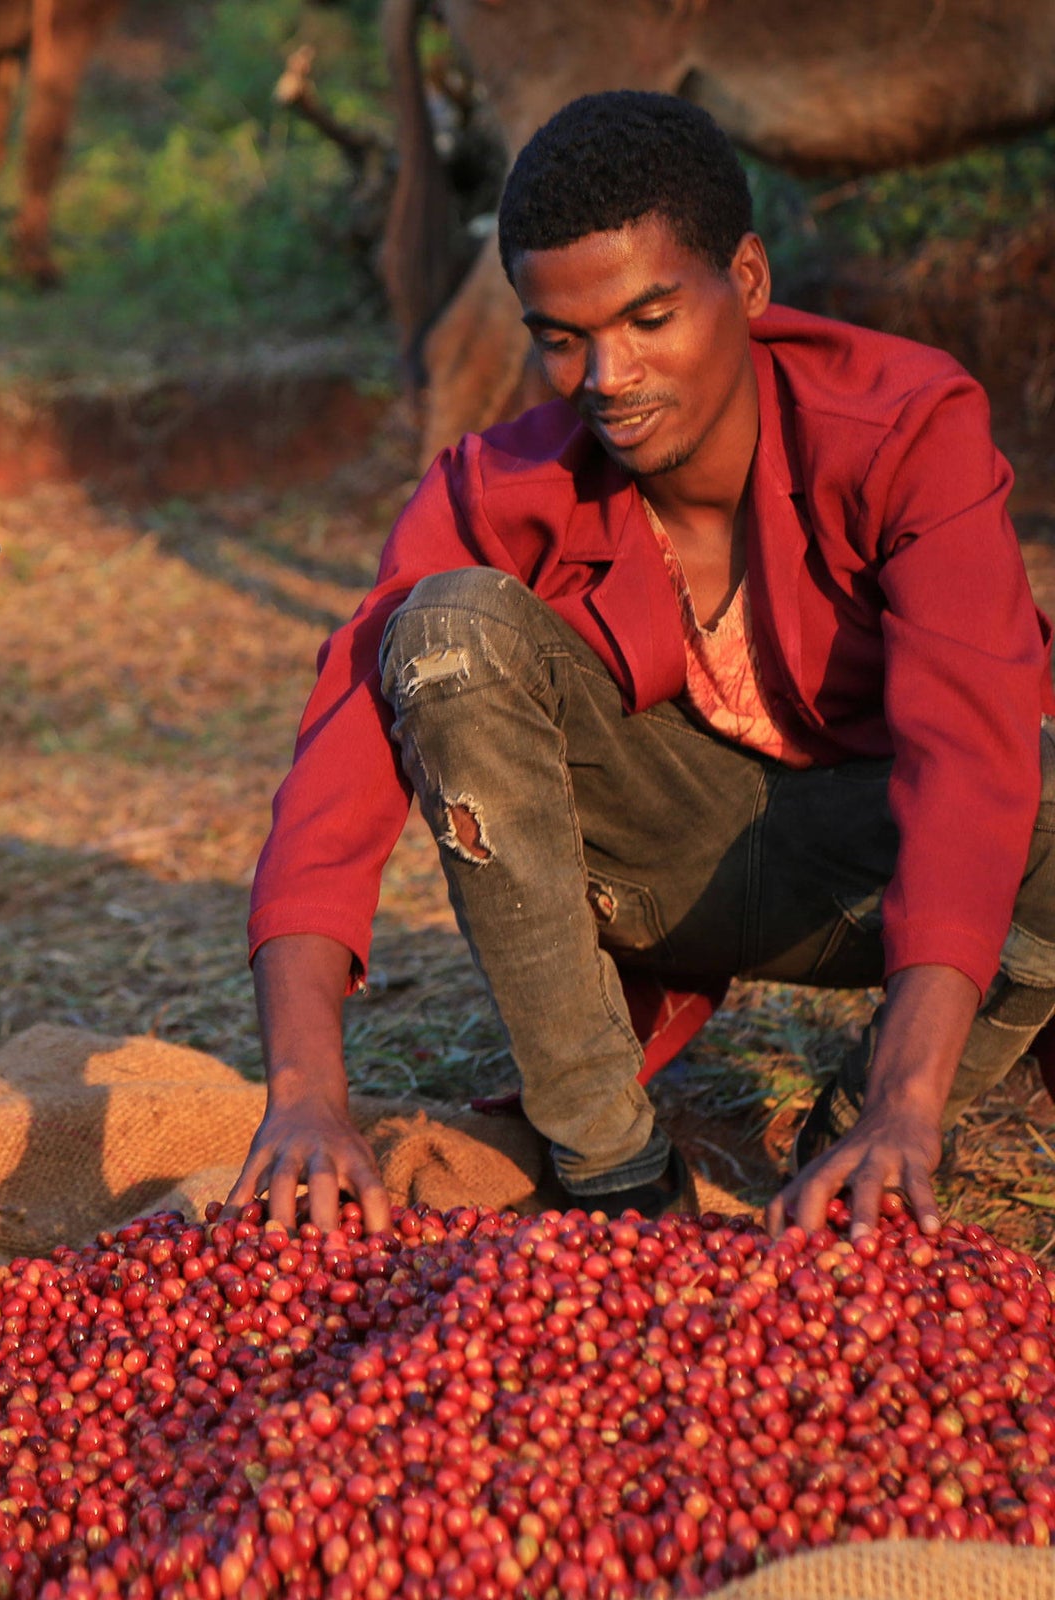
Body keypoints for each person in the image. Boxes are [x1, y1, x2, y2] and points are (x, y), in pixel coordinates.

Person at [229, 91, 1055, 1243]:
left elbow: (972, 758)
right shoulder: (499, 486)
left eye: (649, 317)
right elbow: (335, 792)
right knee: (442, 623)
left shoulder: (907, 428)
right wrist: (308, 1097)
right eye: (561, 337)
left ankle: (856, 1142)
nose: (605, 375)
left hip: (871, 875)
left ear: (750, 280)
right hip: (658, 883)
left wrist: (903, 1107)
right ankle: (611, 1164)